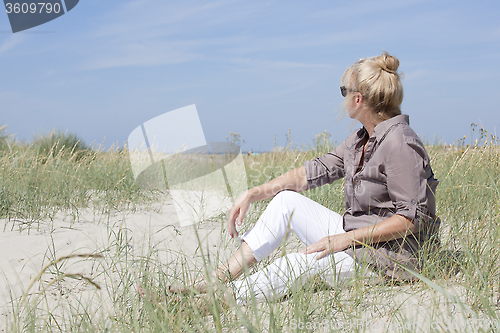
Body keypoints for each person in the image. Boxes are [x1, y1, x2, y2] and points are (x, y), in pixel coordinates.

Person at [145, 52, 440, 310]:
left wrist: (343, 239)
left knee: (300, 263)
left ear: (358, 99)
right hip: (358, 238)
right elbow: (313, 172)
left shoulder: (400, 142)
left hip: (389, 259)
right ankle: (213, 281)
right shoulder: (361, 139)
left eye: (344, 90)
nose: (344, 97)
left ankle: (209, 304)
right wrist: (253, 193)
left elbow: (412, 220)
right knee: (286, 201)